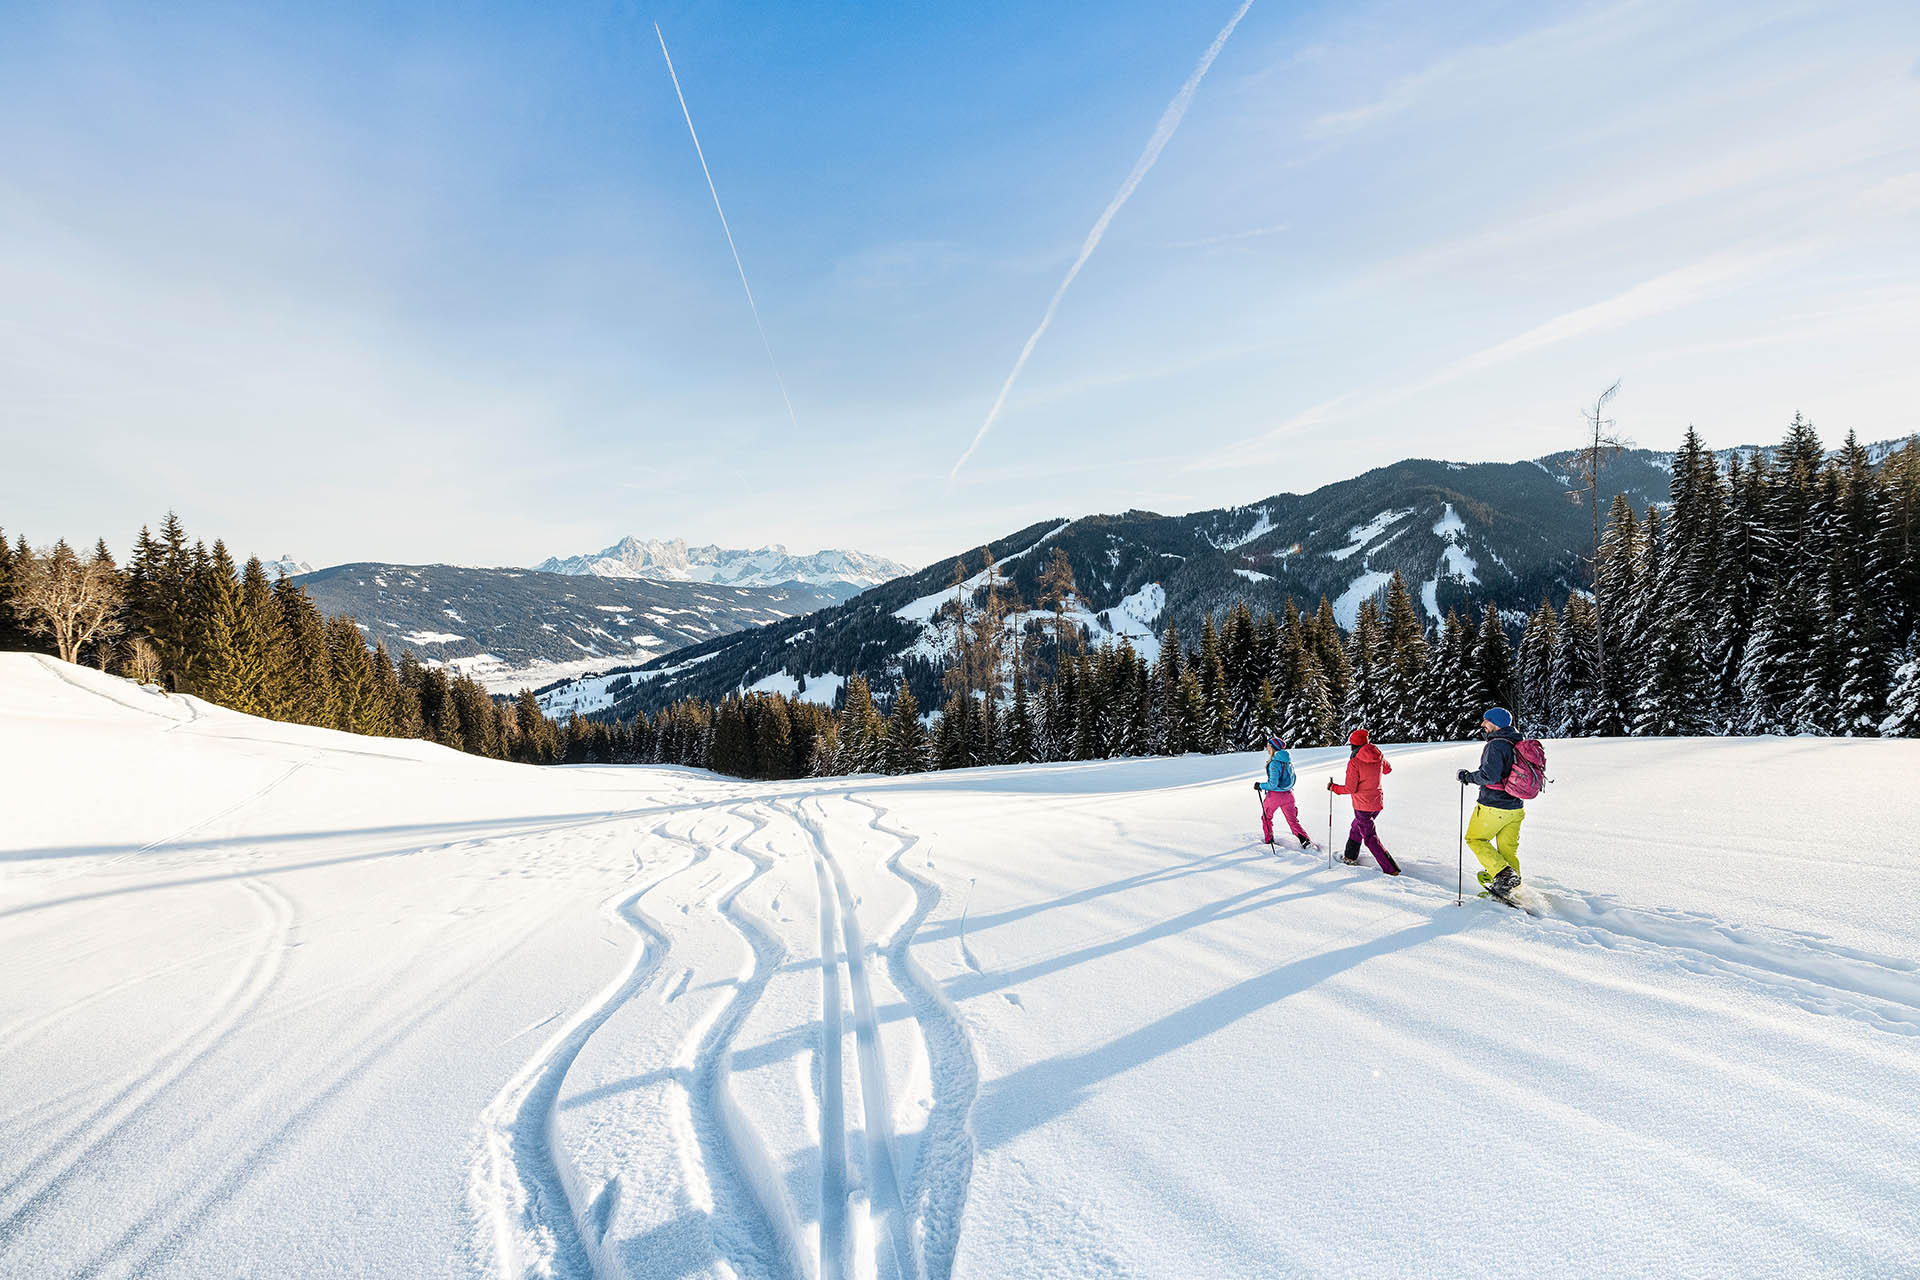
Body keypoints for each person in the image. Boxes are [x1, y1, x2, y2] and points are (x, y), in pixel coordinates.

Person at [1458, 706, 1524, 897]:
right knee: (1507, 850)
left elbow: (1490, 776)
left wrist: (1467, 777)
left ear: (1495, 723)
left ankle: (1503, 877)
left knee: (1475, 839)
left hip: (1494, 806)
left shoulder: (1496, 745)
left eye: (1486, 721)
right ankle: (1514, 889)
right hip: (1516, 807)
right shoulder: (1516, 742)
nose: (1482, 724)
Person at [1327, 729, 1400, 875]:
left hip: (1362, 805)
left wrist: (1333, 787)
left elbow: (1350, 788)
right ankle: (1350, 856)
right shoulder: (1378, 755)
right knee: (1356, 827)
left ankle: (1391, 869)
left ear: (1354, 746)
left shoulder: (1354, 762)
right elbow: (1388, 769)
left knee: (1369, 837)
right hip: (1376, 802)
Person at [1253, 734, 1318, 851]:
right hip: (1289, 795)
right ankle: (1306, 841)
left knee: (1266, 818)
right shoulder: (1288, 762)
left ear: (1273, 748)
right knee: (1293, 820)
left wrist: (1260, 785)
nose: (1267, 748)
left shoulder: (1274, 763)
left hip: (1274, 796)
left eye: (1268, 746)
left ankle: (1269, 840)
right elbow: (1294, 779)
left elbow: (1273, 784)